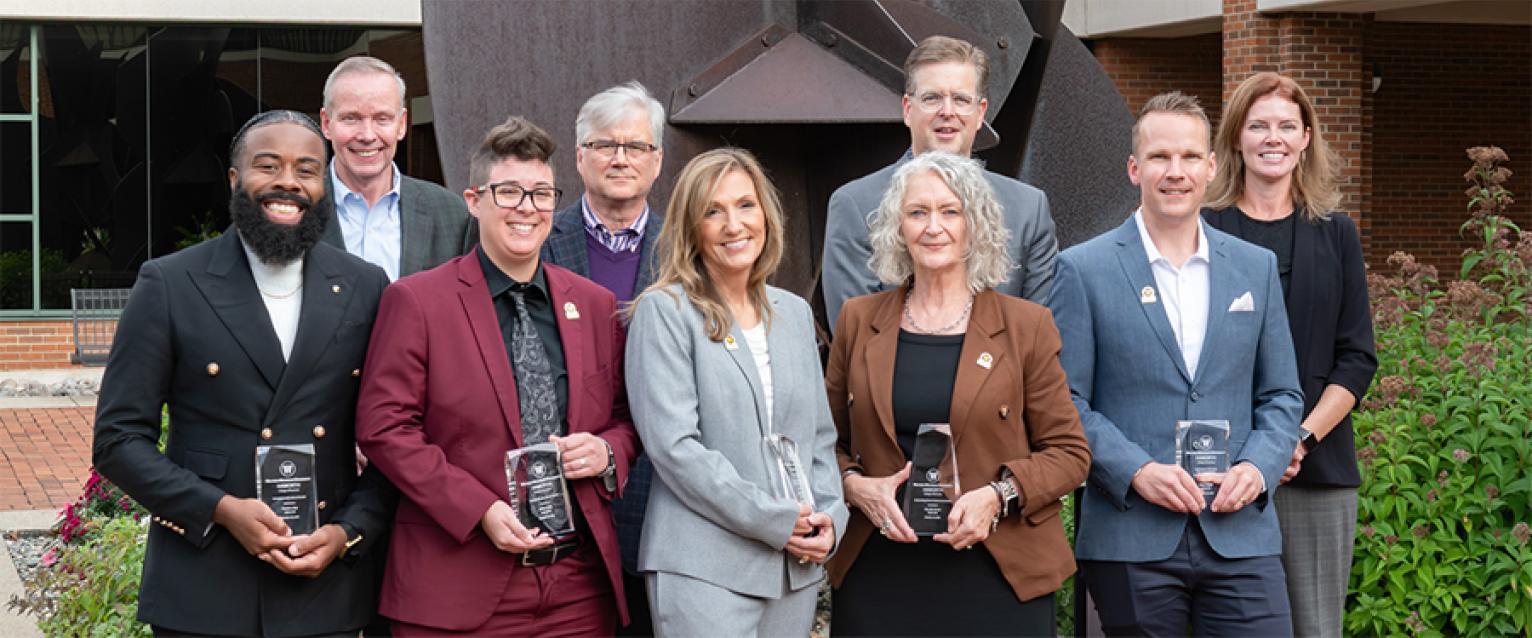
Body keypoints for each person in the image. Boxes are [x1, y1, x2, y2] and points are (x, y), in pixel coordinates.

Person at [93, 110, 393, 637]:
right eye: (268, 166)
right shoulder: (171, 283)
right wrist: (221, 509)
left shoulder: (366, 285)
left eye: (306, 169)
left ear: (323, 185)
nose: (288, 183)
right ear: (235, 179)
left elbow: (395, 437)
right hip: (204, 584)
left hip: (325, 590)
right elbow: (118, 440)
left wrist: (348, 532)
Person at [355, 116, 638, 635]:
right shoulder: (417, 301)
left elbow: (625, 417)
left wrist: (607, 451)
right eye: (508, 192)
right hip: (457, 581)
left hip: (577, 587)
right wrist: (478, 508)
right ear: (473, 200)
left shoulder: (595, 305)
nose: (526, 208)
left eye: (541, 194)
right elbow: (384, 428)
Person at [1046, 92, 1304, 636]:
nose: (1175, 172)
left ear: (1210, 167)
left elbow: (1282, 394)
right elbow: (1065, 401)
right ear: (1134, 168)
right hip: (1131, 535)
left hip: (1239, 533)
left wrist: (1257, 469)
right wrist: (1137, 471)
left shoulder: (1255, 268)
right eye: (1160, 157)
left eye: (1189, 157)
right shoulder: (1082, 269)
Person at [824, 152, 1090, 636]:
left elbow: (1070, 454)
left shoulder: (1025, 326)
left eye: (950, 211)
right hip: (879, 567)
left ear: (976, 224)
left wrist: (999, 495)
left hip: (996, 568)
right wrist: (854, 487)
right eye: (917, 212)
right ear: (897, 226)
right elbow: (823, 443)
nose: (934, 227)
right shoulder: (858, 320)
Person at [625, 147, 847, 637]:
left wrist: (831, 518)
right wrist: (775, 519)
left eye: (746, 205)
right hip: (705, 568)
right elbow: (675, 449)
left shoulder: (792, 313)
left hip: (793, 572)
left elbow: (818, 439)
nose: (734, 224)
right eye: (713, 211)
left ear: (766, 214)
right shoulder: (665, 311)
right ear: (691, 227)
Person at [1202, 72, 1378, 638]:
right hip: (1220, 470)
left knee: (1313, 629)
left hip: (1315, 471)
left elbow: (1357, 358)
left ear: (1306, 138)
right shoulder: (1203, 229)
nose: (1272, 138)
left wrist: (1295, 442)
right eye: (1258, 125)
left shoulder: (1337, 234)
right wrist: (1253, 453)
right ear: (1237, 138)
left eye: (1286, 126)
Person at [540, 81, 667, 635]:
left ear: (657, 160)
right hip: (562, 483)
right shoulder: (538, 239)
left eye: (635, 146)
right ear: (579, 157)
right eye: (604, 145)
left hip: (661, 486)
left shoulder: (687, 248)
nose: (620, 158)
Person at [821, 35, 1058, 331]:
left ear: (980, 113)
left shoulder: (1028, 209)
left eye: (961, 99)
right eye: (932, 98)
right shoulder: (856, 205)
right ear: (907, 109)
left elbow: (1039, 334)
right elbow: (857, 336)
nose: (947, 111)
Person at [320, 55, 475, 281]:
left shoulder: (452, 214)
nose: (367, 135)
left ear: (401, 124)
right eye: (351, 118)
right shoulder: (297, 209)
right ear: (327, 124)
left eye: (381, 119)